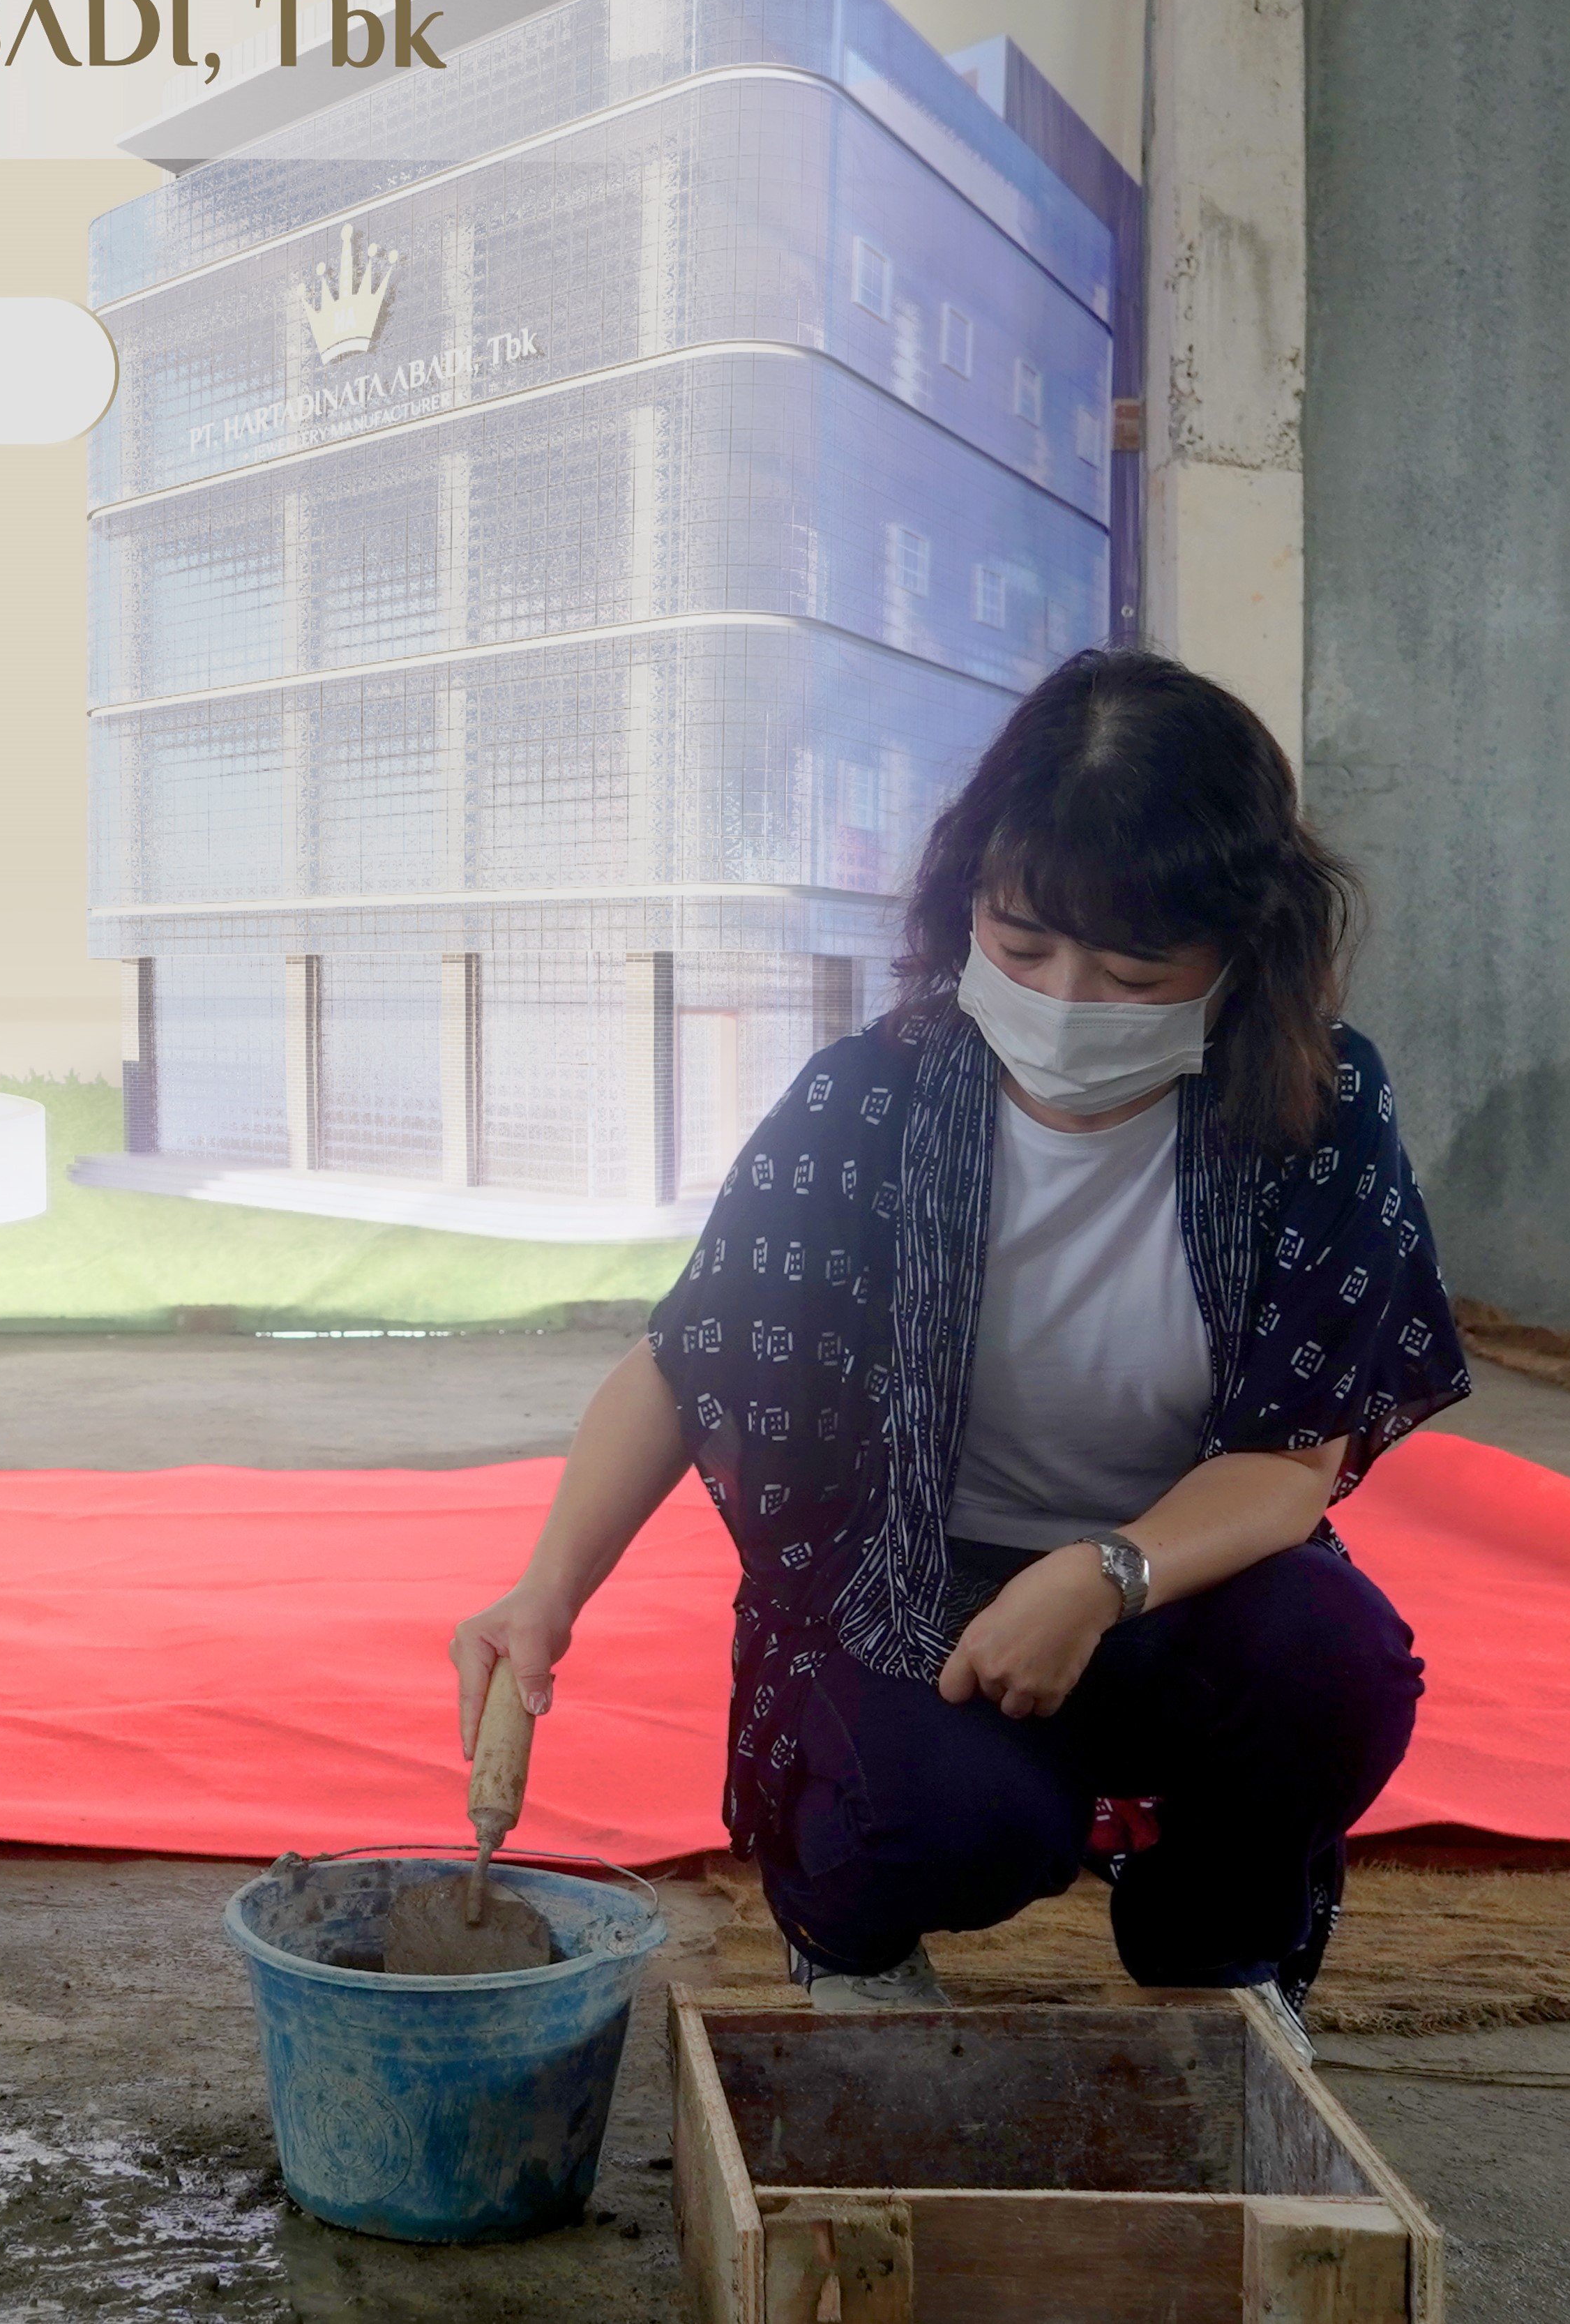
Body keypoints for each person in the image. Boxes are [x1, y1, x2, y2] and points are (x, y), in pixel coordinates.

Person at [451, 652, 1470, 2040]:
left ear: (1243, 951)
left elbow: (1291, 1463)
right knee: (956, 1824)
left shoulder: (1318, 1108)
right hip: (909, 1587)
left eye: (1132, 968)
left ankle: (1217, 1954)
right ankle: (851, 1934)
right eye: (1023, 942)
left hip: (1173, 1571)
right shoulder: (872, 1102)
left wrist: (1106, 1574)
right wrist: (545, 1592)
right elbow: (693, 1359)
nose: (1063, 1000)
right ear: (966, 901)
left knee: (1334, 1663)